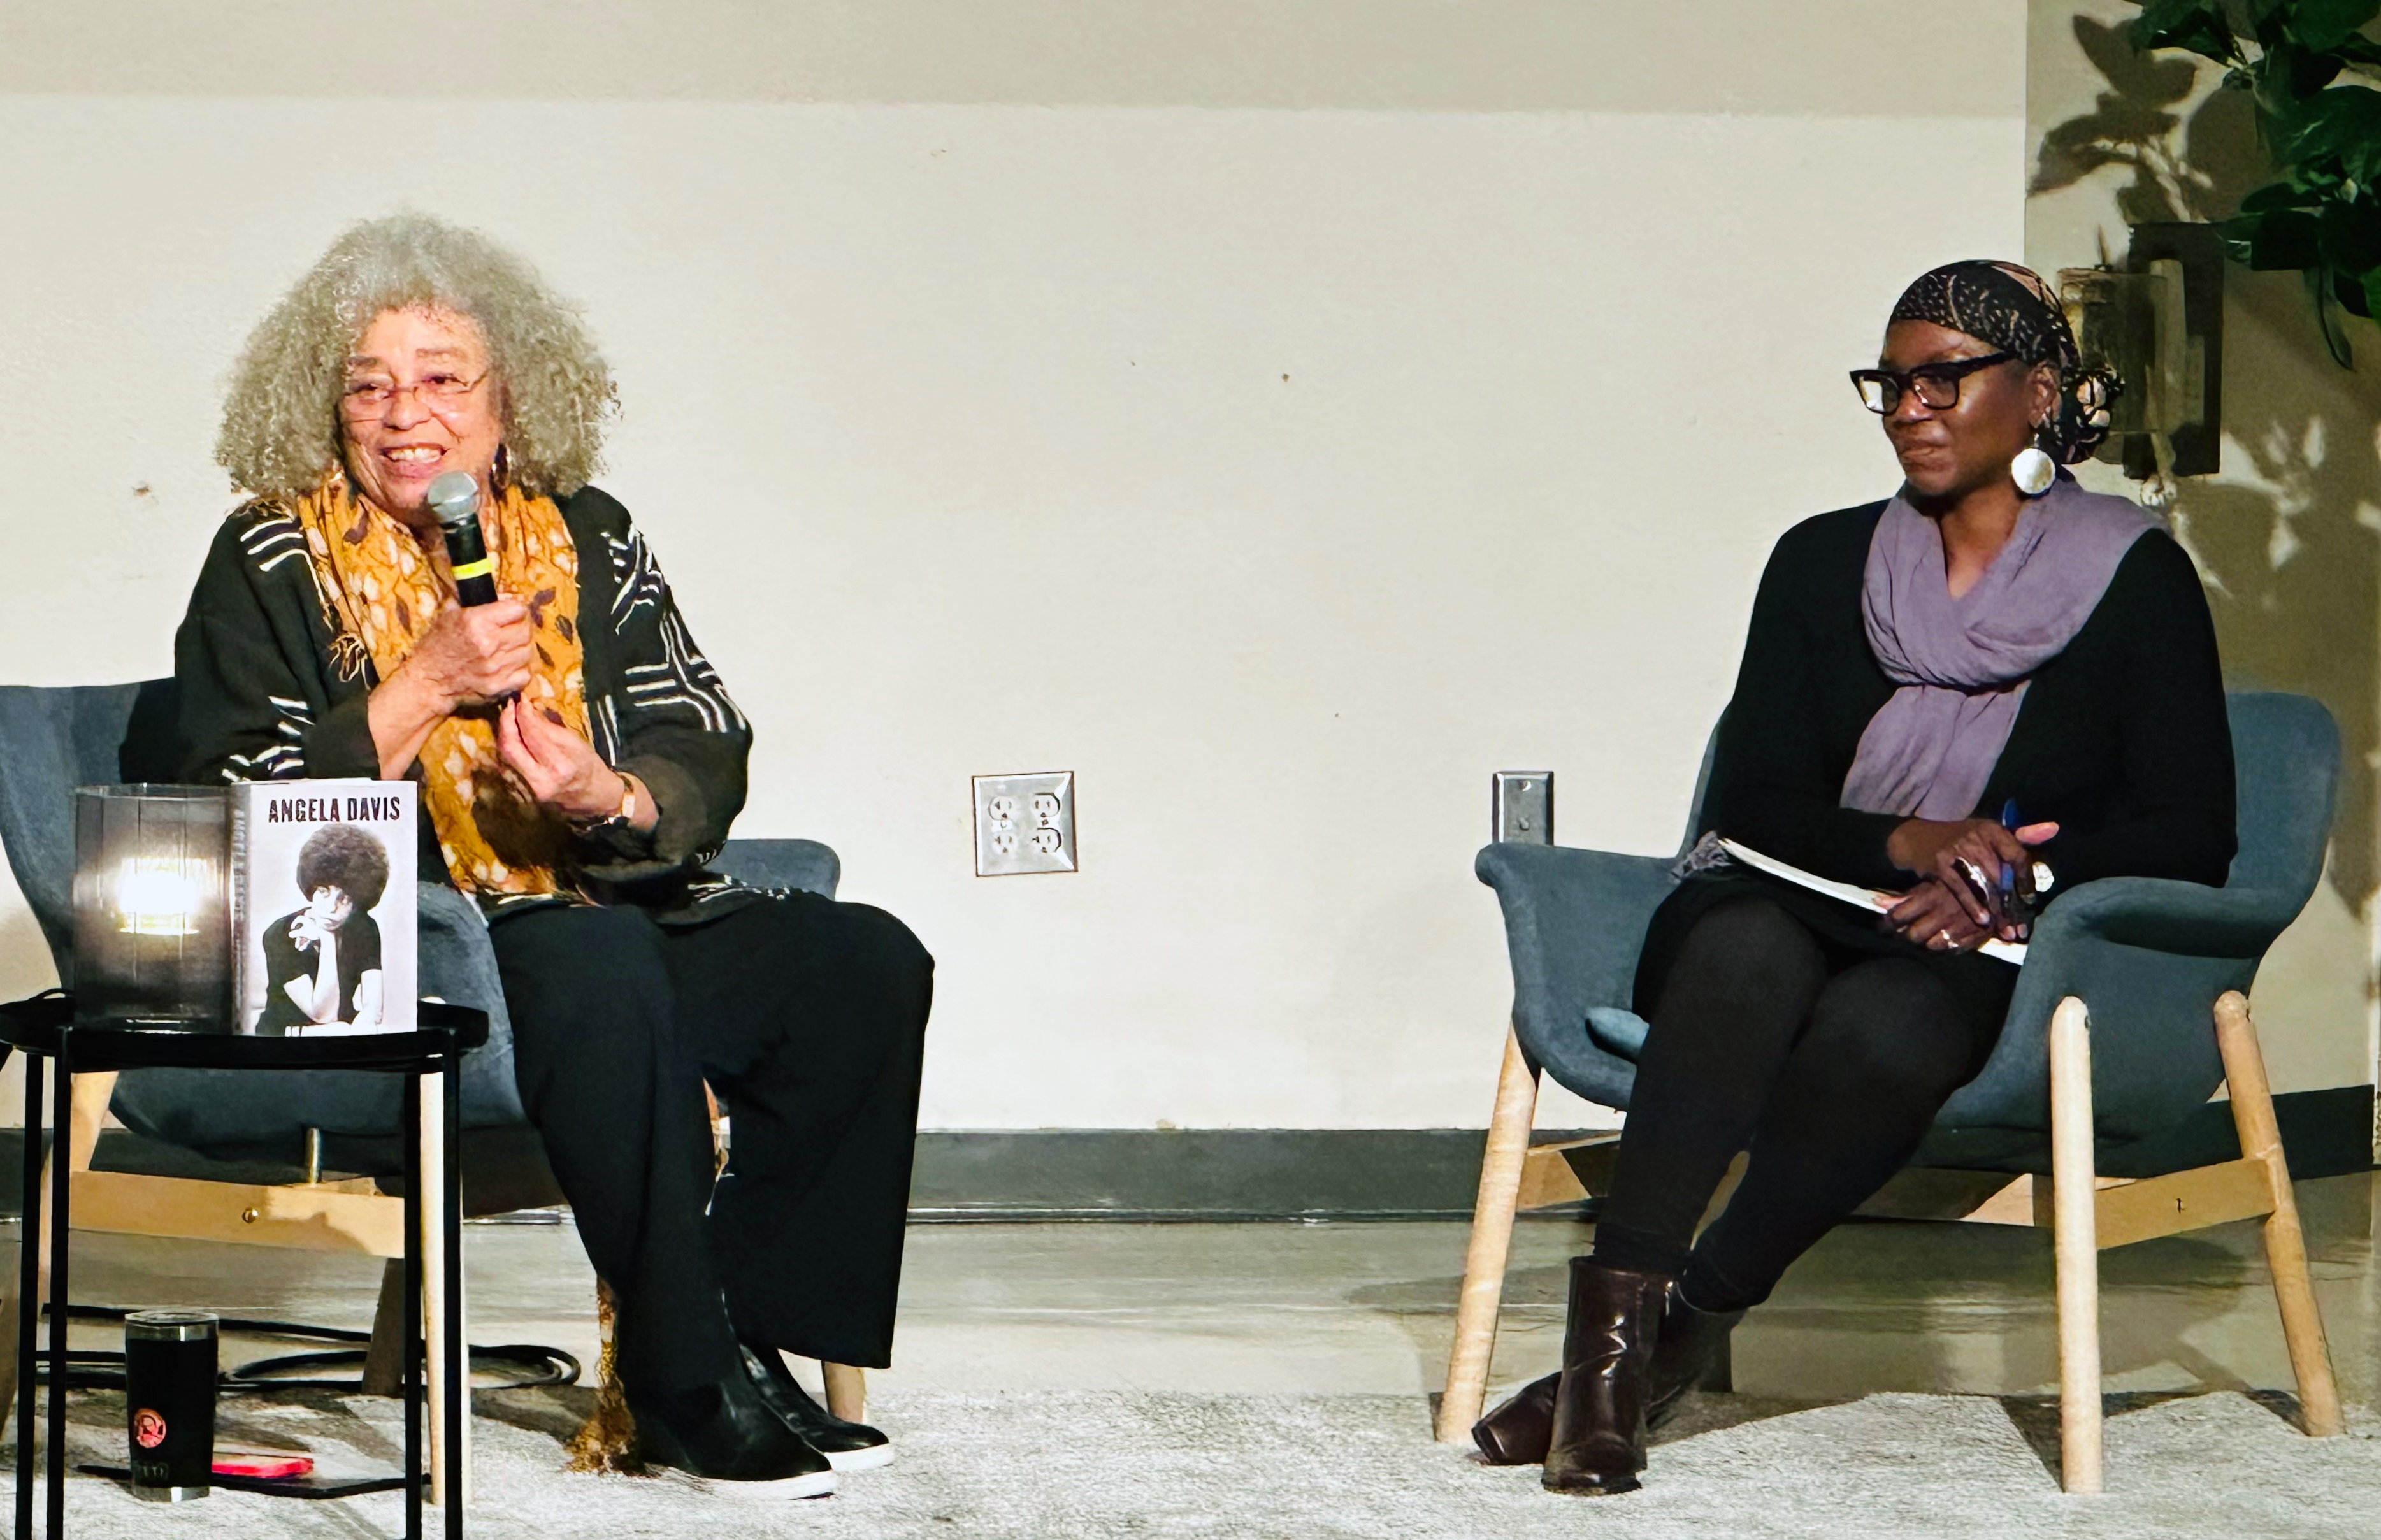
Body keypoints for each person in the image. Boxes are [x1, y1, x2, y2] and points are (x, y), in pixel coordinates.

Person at [173, 213, 933, 1497]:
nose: (402, 411)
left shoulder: (588, 531)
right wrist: (415, 689)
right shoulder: (265, 555)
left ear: (509, 398)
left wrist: (613, 788)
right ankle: (682, 1387)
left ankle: (736, 1327)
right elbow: (221, 798)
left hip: (609, 889)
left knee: (855, 960)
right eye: (368, 382)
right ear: (326, 408)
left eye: (438, 376)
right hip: (410, 934)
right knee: (591, 955)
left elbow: (702, 724)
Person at [1471, 261, 2236, 1493]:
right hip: (1782, 894)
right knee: (1739, 949)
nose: (1911, 406)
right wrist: (1910, 839)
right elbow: (1753, 799)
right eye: (1892, 381)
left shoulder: (2133, 577)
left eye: (1945, 376)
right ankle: (1607, 1376)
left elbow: (2189, 825)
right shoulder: (1821, 562)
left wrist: (2006, 874)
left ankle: (1676, 1336)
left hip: (1969, 939)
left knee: (1888, 1025)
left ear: (2037, 391)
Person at [255, 823, 388, 1035]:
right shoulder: (281, 933)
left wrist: (365, 1029)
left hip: (342, 1030)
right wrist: (327, 936)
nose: (331, 907)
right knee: (343, 1030)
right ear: (311, 887)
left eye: (344, 898)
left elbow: (373, 1007)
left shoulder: (364, 927)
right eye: (324, 892)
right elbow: (322, 1014)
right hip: (286, 1034)